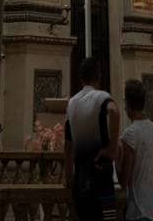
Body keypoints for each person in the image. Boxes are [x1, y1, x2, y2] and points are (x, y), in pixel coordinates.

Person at [64, 58, 119, 221]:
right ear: (98, 77)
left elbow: (67, 144)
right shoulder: (102, 97)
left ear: (81, 78)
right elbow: (115, 112)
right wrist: (112, 149)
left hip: (80, 177)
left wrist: (68, 175)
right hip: (100, 174)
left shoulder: (71, 103)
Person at [116, 79, 153, 221]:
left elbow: (124, 181)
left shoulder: (130, 134)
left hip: (141, 209)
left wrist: (116, 159)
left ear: (127, 104)